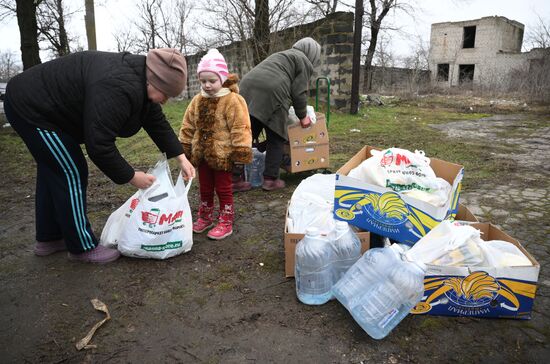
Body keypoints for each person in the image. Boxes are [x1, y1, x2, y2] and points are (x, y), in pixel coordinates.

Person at [4, 48, 195, 263]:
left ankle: (49, 238)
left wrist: (181, 157)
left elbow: (155, 122)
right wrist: (132, 176)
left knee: (55, 167)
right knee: (71, 170)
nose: (165, 100)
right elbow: (99, 145)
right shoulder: (118, 85)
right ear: (154, 81)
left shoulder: (140, 79)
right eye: (166, 94)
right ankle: (81, 247)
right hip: (33, 108)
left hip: (42, 106)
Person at [179, 49, 252, 240]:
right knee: (204, 187)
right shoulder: (197, 100)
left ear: (222, 78)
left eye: (212, 80)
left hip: (223, 154)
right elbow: (188, 125)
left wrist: (240, 153)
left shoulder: (232, 100)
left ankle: (226, 220)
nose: (207, 85)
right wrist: (185, 150)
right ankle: (205, 216)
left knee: (223, 187)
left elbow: (240, 126)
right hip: (202, 154)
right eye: (203, 81)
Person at [239, 37, 321, 191]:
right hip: (273, 91)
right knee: (276, 137)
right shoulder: (303, 60)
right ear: (312, 55)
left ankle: (234, 178)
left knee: (246, 136)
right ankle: (270, 179)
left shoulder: (282, 55)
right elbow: (299, 92)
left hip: (246, 87)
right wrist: (303, 116)